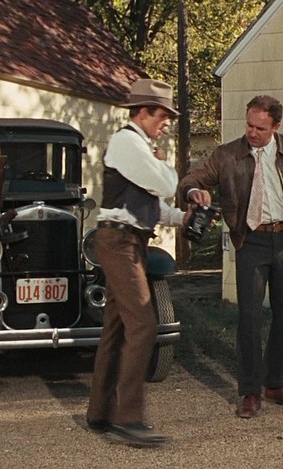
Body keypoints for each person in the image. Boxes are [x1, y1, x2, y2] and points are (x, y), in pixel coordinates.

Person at [178, 95, 283, 418]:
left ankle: (276, 383)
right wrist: (193, 192)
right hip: (249, 241)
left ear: (276, 126)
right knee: (250, 318)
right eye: (249, 126)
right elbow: (190, 179)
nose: (252, 133)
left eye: (261, 128)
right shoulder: (227, 155)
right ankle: (251, 391)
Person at [85, 78, 187, 447]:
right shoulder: (127, 142)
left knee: (116, 326)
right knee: (143, 323)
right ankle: (128, 418)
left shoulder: (138, 147)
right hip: (120, 241)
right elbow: (166, 185)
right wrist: (164, 165)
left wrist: (185, 219)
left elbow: (153, 205)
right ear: (142, 113)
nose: (166, 123)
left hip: (130, 239)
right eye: (162, 116)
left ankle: (100, 412)